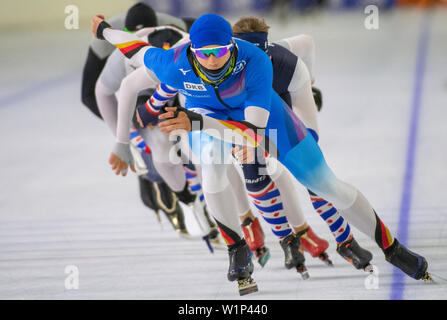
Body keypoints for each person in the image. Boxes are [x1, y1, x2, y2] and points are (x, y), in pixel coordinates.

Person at [91, 13, 431, 295]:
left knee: (327, 185)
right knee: (212, 169)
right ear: (192, 50)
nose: (211, 60)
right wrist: (104, 30)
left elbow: (253, 136)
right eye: (204, 53)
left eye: (219, 52)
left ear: (233, 48)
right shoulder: (174, 63)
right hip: (205, 119)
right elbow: (134, 47)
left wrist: (193, 120)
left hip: (258, 119)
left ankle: (392, 247)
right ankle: (237, 249)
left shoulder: (256, 63)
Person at [95, 25, 220, 249]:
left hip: (181, 86)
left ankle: (204, 203)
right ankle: (185, 199)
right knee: (160, 151)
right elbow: (100, 93)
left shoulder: (190, 52)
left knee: (198, 149)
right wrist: (124, 141)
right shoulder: (122, 60)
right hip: (144, 96)